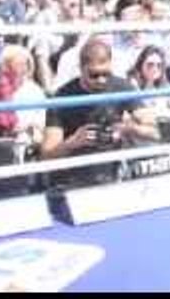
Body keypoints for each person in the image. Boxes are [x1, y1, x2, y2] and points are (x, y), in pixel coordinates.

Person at [40, 37, 159, 188]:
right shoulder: (62, 98)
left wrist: (128, 128)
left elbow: (155, 132)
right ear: (81, 69)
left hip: (110, 177)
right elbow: (46, 156)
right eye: (94, 75)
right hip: (70, 181)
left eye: (106, 74)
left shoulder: (122, 88)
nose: (101, 80)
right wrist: (73, 142)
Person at [0, 44, 47, 145]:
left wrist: (29, 127)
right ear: (6, 66)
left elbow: (42, 120)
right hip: (2, 141)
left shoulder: (35, 90)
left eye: (25, 64)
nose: (24, 68)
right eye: (18, 64)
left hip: (29, 140)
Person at [128, 45, 170, 119]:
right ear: (140, 65)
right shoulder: (132, 85)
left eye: (159, 65)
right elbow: (138, 113)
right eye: (150, 65)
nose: (155, 69)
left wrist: (163, 114)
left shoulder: (164, 86)